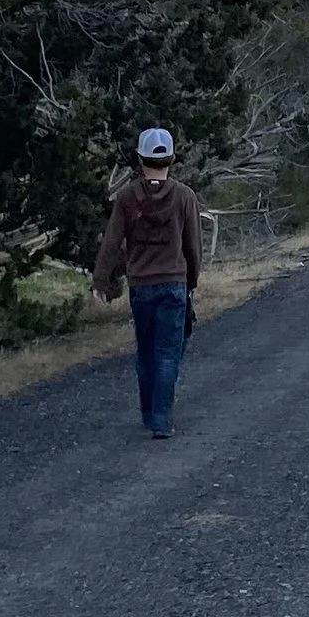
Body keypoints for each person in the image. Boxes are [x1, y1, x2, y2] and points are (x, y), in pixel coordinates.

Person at [94, 127, 204, 438]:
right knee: (168, 352)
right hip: (174, 284)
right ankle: (161, 419)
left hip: (141, 285)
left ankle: (148, 411)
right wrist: (191, 281)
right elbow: (192, 246)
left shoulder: (127, 197)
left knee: (145, 351)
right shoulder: (185, 196)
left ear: (140, 159)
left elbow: (112, 241)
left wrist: (101, 280)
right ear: (171, 158)